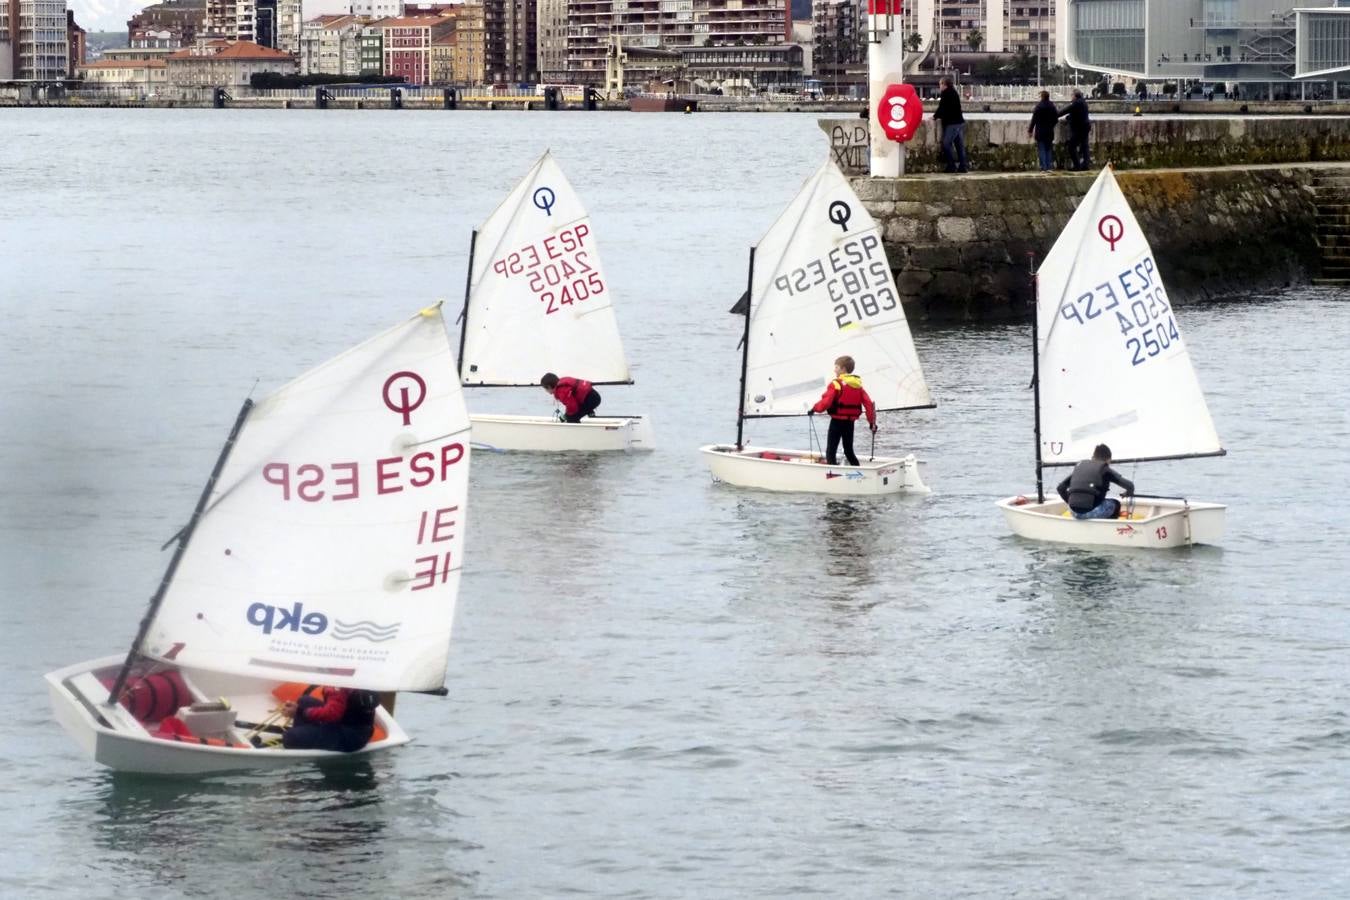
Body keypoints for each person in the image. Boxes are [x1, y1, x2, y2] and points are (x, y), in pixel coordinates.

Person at [809, 355, 877, 467]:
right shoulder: (858, 386)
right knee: (848, 450)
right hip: (850, 423)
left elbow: (826, 402)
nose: (834, 369)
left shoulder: (836, 384)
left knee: (831, 450)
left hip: (836, 422)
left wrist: (814, 409)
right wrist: (871, 423)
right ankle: (858, 471)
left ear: (843, 369)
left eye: (836, 367)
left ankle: (833, 474)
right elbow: (869, 405)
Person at [282, 686, 378, 752]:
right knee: (304, 701)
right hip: (354, 726)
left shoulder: (339, 685)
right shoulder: (352, 677)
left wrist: (300, 711)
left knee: (289, 737)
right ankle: (307, 735)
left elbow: (333, 714)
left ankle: (302, 740)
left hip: (349, 737)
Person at [1056, 444, 1136, 520]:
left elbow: (1060, 488)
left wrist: (1070, 503)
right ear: (1108, 460)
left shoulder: (1080, 466)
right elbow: (1130, 486)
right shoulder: (1104, 469)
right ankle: (1106, 528)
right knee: (1116, 504)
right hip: (1092, 512)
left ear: (1093, 457)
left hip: (1073, 512)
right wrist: (1127, 493)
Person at [933, 76, 969, 174]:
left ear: (944, 84)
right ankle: (963, 166)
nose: (939, 86)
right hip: (959, 122)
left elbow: (942, 107)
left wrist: (934, 117)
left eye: (940, 84)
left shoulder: (946, 93)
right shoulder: (954, 92)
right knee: (959, 146)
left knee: (946, 144)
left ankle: (951, 166)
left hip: (952, 123)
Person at [1058, 89, 1092, 171]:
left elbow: (1065, 111)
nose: (1071, 97)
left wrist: (1054, 115)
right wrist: (1069, 118)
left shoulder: (1076, 103)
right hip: (1085, 127)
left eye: (1072, 95)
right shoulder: (1083, 102)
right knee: (1084, 146)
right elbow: (1077, 114)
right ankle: (1085, 165)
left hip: (1079, 128)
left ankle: (1077, 166)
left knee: (1071, 147)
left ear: (1075, 96)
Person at [1027, 90, 1058, 172]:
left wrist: (1030, 131)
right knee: (1048, 149)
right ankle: (1049, 167)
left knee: (1042, 149)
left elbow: (1034, 120)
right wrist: (1051, 125)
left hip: (1040, 131)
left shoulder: (1039, 107)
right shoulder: (1052, 106)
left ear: (1042, 97)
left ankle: (1043, 168)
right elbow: (1056, 119)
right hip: (1049, 131)